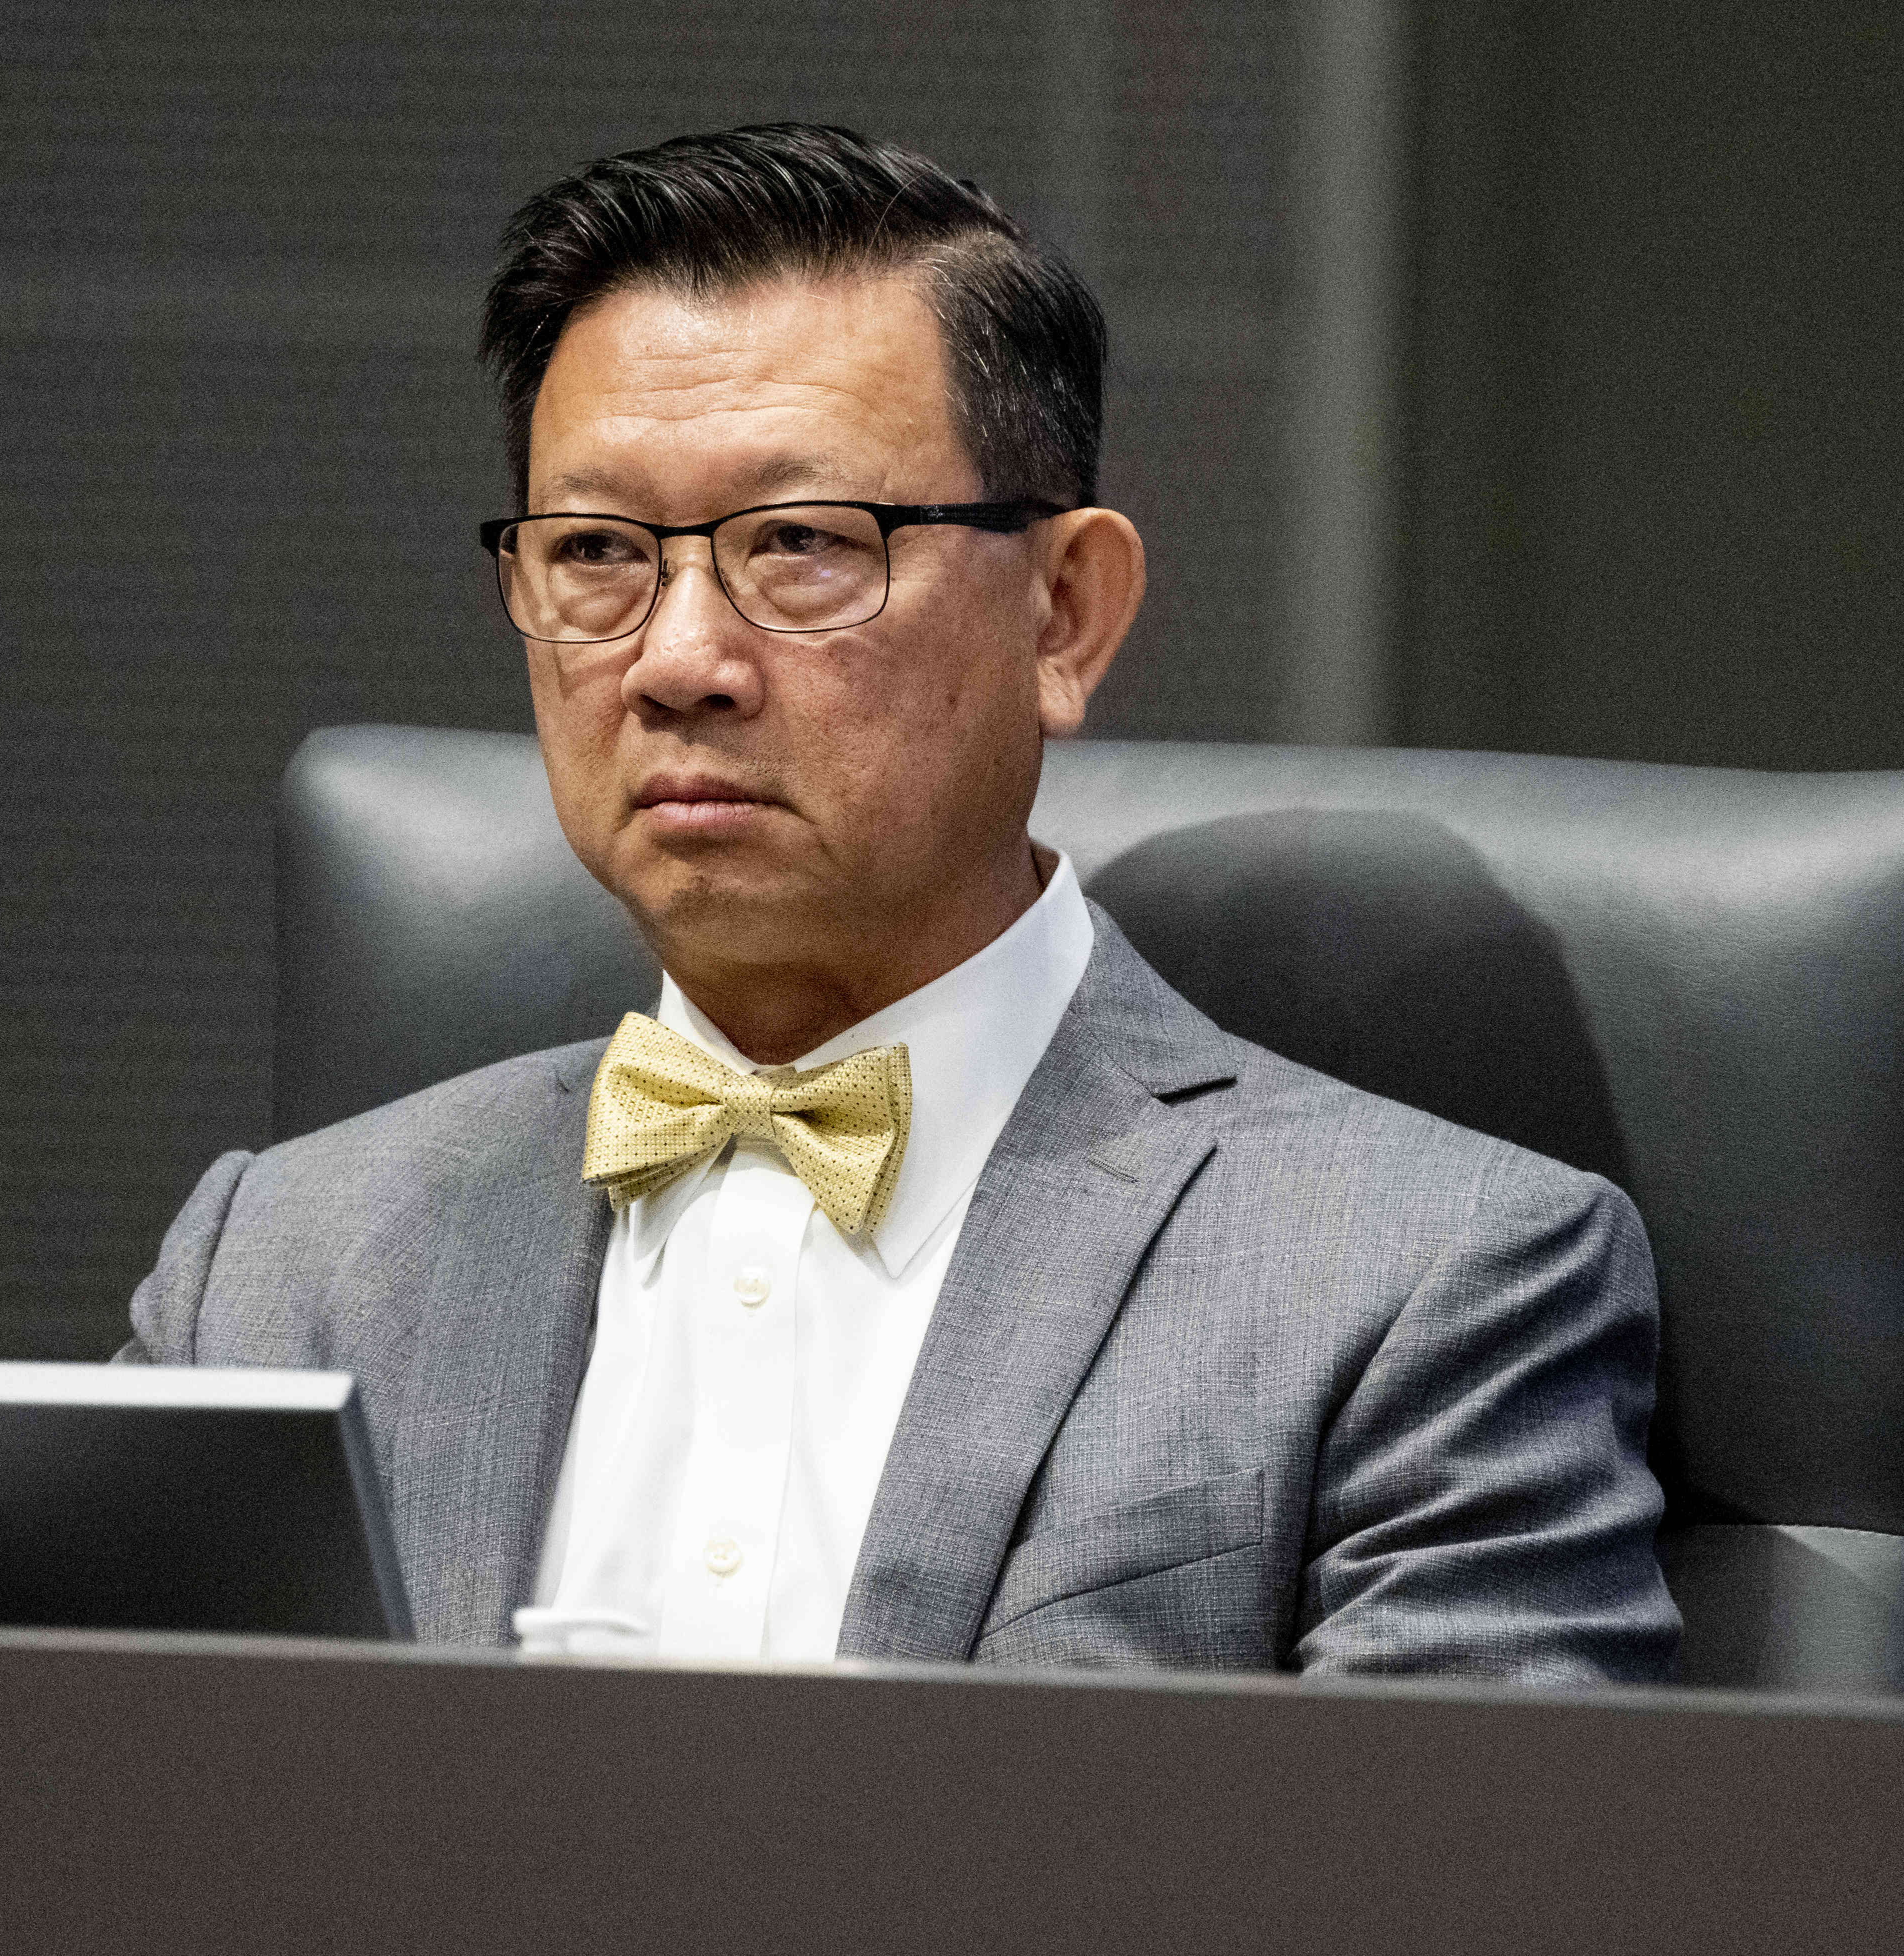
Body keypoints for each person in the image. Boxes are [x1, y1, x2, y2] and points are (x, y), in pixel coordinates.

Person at [122, 123, 1680, 1679]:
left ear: (1064, 613)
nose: (677, 661)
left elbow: (1461, 1834)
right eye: (595, 550)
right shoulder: (274, 1274)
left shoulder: (1431, 1281)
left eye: (802, 545)